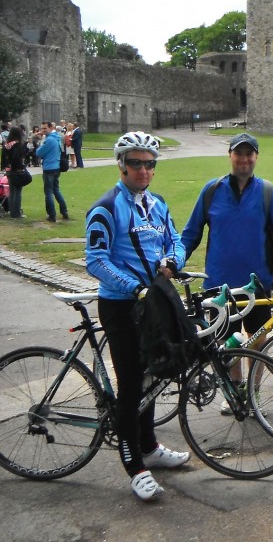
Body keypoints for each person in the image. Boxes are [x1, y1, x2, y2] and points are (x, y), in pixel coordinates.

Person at [84, 131, 190, 501]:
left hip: (151, 302)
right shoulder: (107, 207)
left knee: (152, 376)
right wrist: (134, 287)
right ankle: (134, 465)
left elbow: (175, 238)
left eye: (149, 164)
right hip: (120, 304)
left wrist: (174, 260)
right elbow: (95, 260)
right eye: (136, 163)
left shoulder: (156, 204)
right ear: (122, 164)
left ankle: (148, 446)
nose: (143, 170)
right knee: (131, 384)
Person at [180, 133, 273, 413]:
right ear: (230, 155)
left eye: (250, 154)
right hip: (220, 284)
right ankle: (234, 390)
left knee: (257, 341)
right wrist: (174, 261)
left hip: (258, 283)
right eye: (239, 153)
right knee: (227, 343)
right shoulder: (211, 191)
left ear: (256, 157)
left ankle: (254, 392)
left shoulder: (267, 192)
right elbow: (191, 233)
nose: (244, 159)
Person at [36, 121, 69, 222]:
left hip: (49, 168)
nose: (43, 130)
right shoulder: (57, 137)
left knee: (48, 192)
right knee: (56, 190)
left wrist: (41, 140)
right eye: (42, 128)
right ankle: (64, 211)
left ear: (51, 128)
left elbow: (38, 153)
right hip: (56, 167)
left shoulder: (49, 140)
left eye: (45, 128)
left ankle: (52, 215)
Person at [1, 126, 29, 218]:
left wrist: (5, 167)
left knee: (11, 192)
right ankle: (16, 213)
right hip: (16, 170)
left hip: (8, 170)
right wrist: (21, 167)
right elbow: (16, 158)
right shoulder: (17, 145)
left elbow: (3, 158)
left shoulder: (6, 145)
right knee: (17, 192)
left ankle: (12, 211)